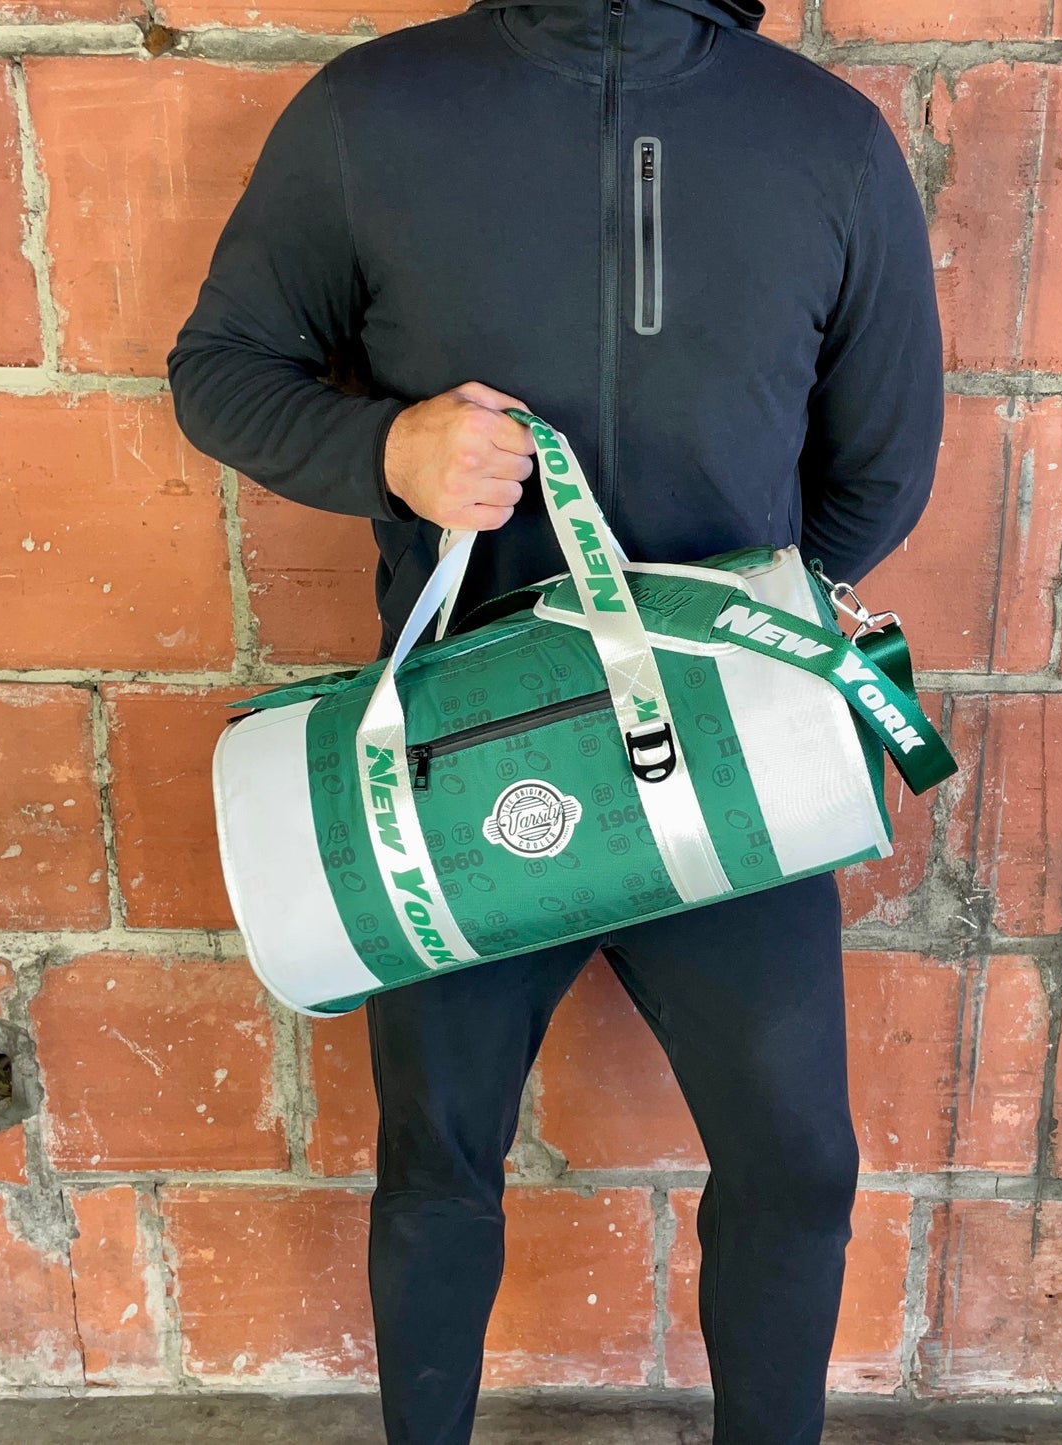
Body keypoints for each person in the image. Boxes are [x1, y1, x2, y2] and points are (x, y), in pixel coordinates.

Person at [168, 0, 943, 1438]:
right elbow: (219, 369)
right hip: (461, 754)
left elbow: (877, 473)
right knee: (436, 1158)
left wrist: (733, 637)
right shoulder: (373, 110)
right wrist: (385, 447)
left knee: (797, 1162)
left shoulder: (822, 139)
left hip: (734, 761)